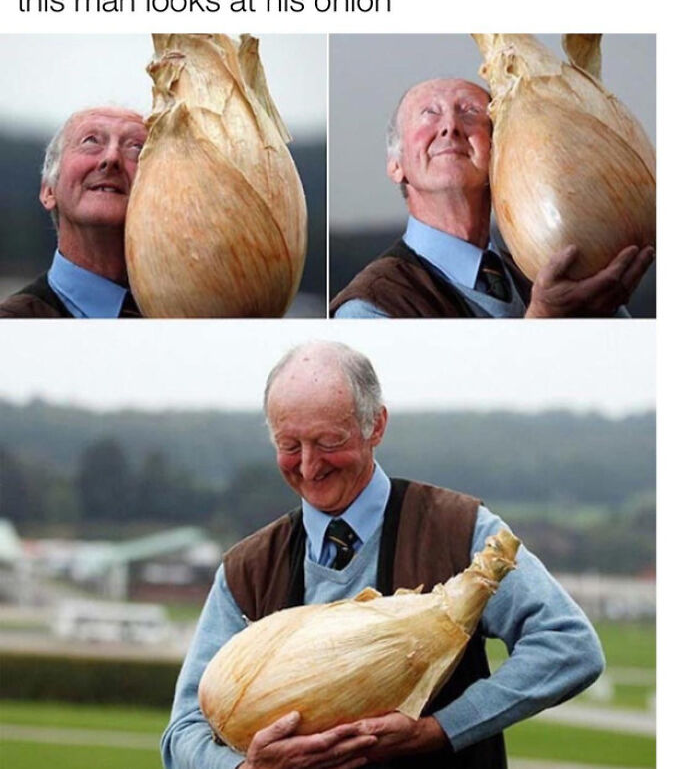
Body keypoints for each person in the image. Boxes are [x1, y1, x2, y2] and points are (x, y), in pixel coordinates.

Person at [161, 341, 605, 769]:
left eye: (329, 442)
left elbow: (570, 646)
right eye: (290, 446)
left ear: (376, 425)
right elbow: (182, 732)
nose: (310, 466)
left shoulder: (461, 531)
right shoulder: (246, 570)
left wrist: (437, 731)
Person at [330, 79, 655, 318]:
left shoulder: (552, 270)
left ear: (502, 152)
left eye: (471, 112)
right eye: (429, 114)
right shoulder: (370, 307)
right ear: (395, 164)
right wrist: (547, 319)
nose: (450, 127)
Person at [0, 106, 147, 318]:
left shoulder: (199, 316)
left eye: (137, 147)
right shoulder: (12, 330)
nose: (112, 157)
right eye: (91, 141)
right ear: (48, 190)